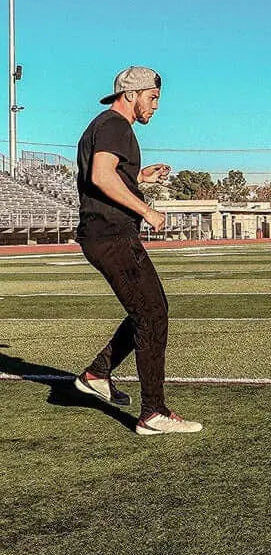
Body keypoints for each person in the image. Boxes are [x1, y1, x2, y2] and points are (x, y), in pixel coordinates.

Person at [73, 66, 202, 435]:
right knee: (153, 313)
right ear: (132, 94)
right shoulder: (116, 125)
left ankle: (98, 373)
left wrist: (140, 176)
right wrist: (147, 209)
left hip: (105, 233)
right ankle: (152, 413)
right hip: (112, 234)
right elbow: (100, 175)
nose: (156, 106)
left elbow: (102, 174)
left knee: (147, 310)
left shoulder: (103, 126)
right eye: (154, 97)